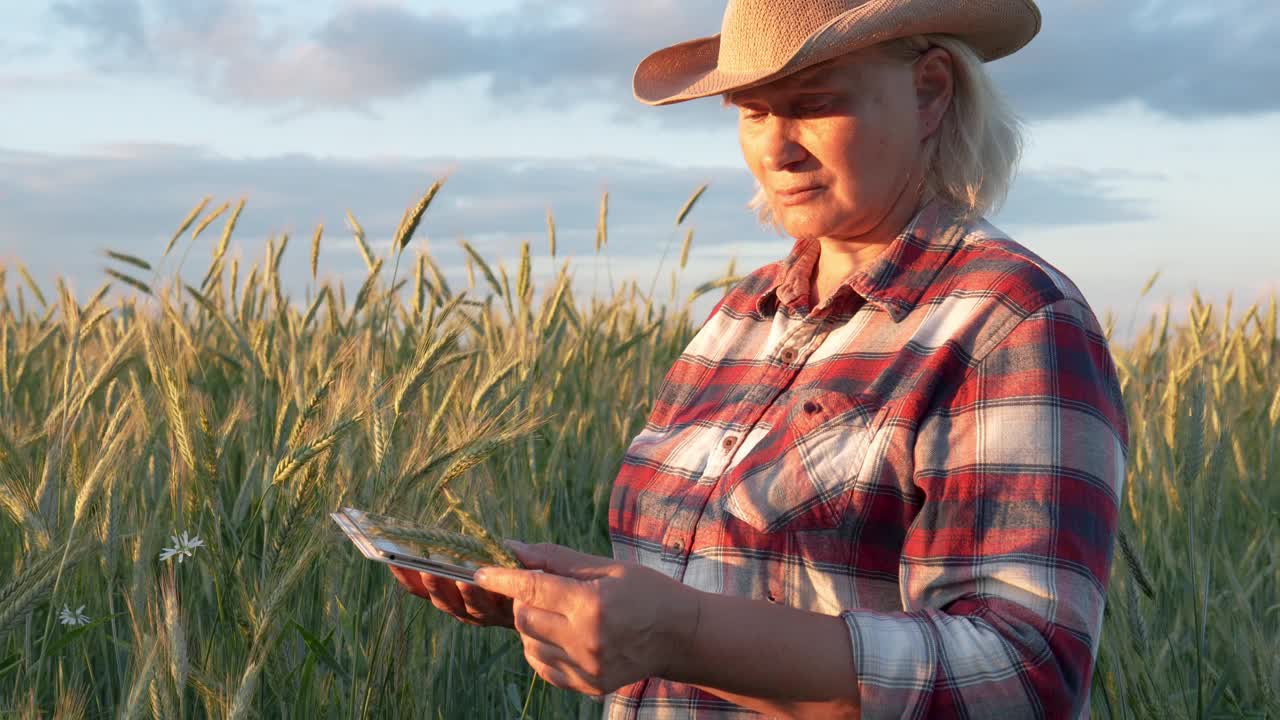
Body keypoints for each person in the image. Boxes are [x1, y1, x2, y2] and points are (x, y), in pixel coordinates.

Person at [391, 0, 1130, 717]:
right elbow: (699, 586)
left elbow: (1023, 677)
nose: (776, 148)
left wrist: (679, 635)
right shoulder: (742, 316)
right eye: (752, 112)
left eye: (814, 103)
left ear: (929, 91)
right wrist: (569, 597)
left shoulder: (1011, 321)